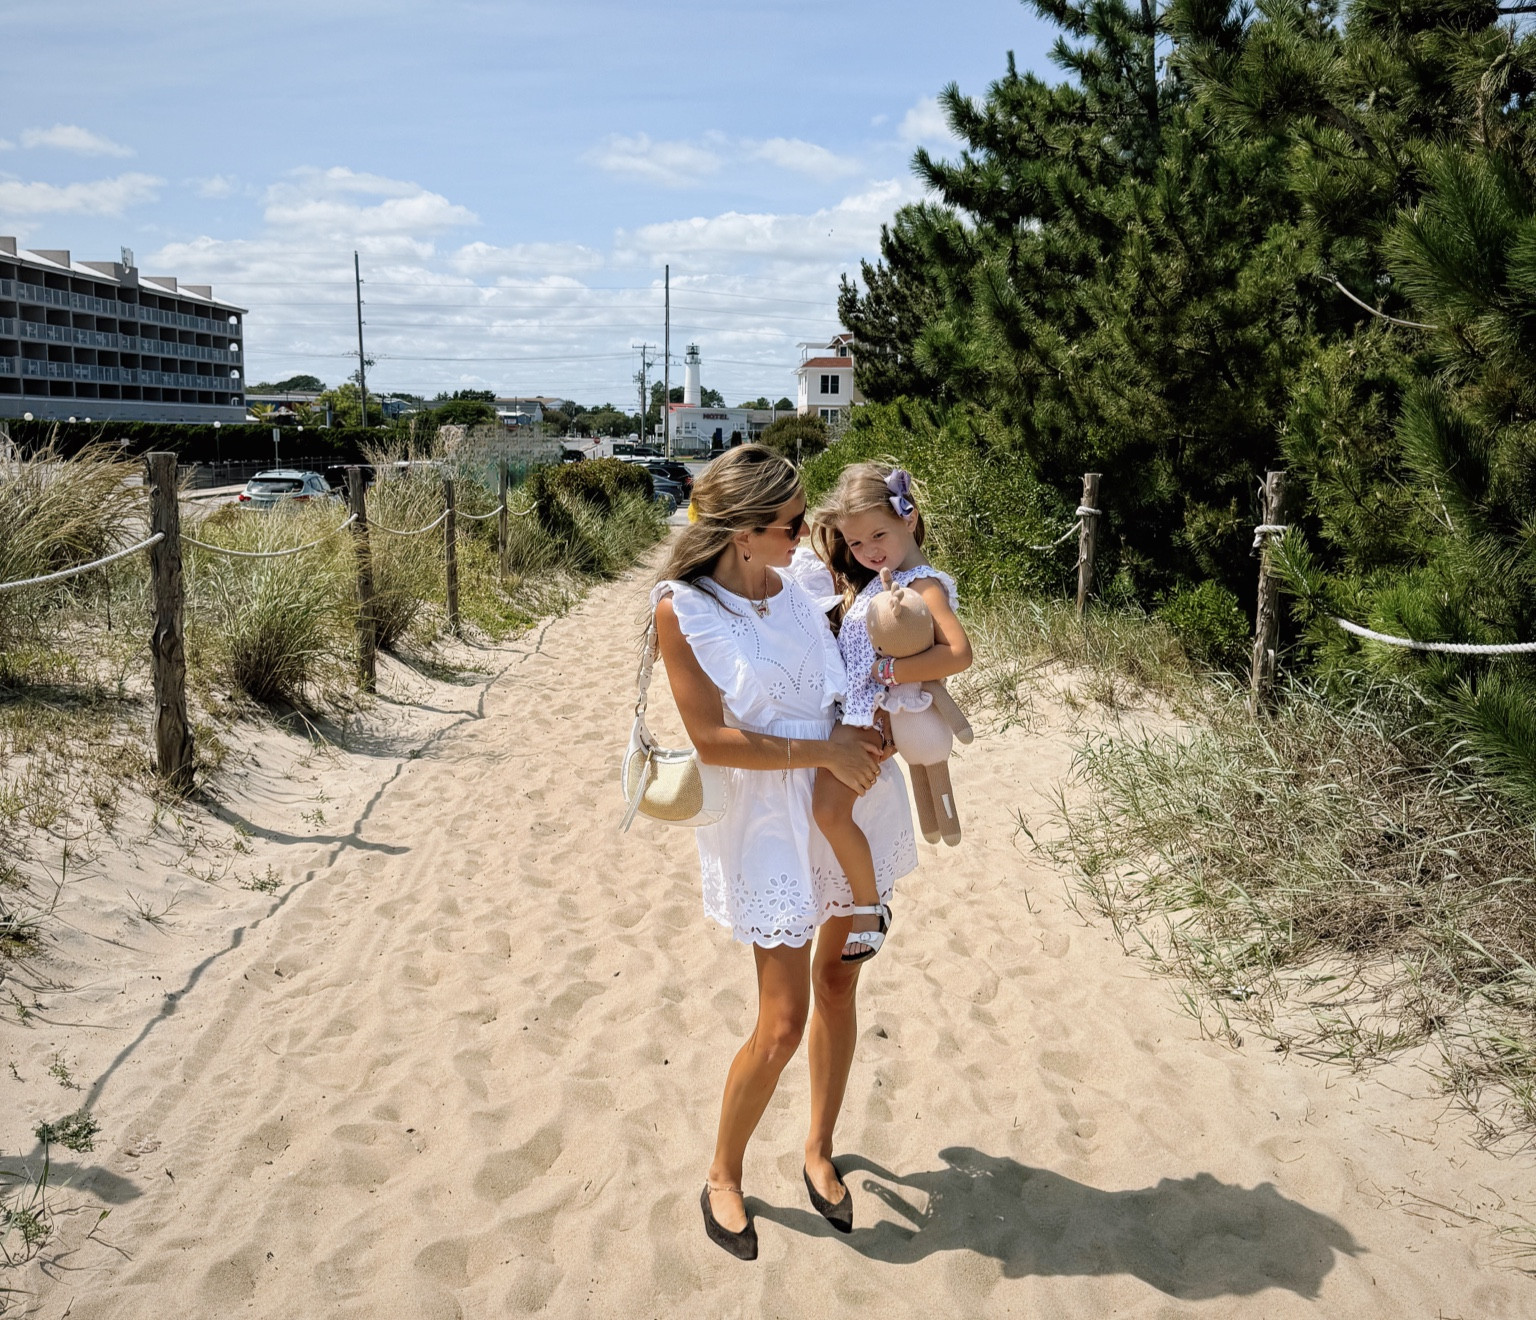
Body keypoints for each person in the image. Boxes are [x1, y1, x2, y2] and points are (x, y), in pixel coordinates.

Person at [651, 445, 917, 1259]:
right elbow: (713, 740)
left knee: (839, 983)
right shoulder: (684, 610)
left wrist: (875, 725)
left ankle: (818, 1148)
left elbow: (853, 671)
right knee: (781, 1022)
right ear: (740, 532)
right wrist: (825, 753)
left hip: (845, 807)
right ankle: (723, 1174)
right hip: (769, 825)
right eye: (792, 522)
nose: (808, 537)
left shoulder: (801, 582)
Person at [808, 463, 974, 960]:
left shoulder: (923, 586)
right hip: (857, 715)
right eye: (856, 543)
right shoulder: (889, 580)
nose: (868, 550)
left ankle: (868, 907)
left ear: (909, 517)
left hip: (868, 721)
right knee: (828, 813)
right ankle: (862, 898)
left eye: (879, 533)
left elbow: (958, 653)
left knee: (828, 811)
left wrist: (888, 676)